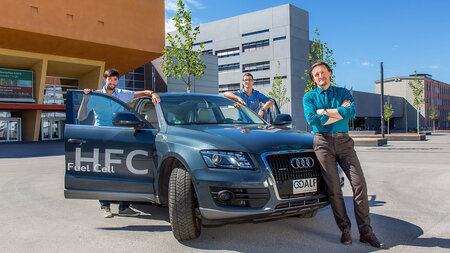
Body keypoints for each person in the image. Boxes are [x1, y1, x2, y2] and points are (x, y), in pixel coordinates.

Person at [302, 62, 386, 249]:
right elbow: (312, 120)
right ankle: (345, 229)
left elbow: (352, 112)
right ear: (313, 78)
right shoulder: (309, 97)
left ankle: (366, 232)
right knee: (334, 189)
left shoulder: (342, 93)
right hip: (322, 143)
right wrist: (339, 112)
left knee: (359, 185)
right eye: (316, 75)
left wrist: (325, 113)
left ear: (330, 73)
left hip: (344, 142)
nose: (320, 77)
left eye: (323, 73)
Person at [78, 68, 160, 218]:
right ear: (105, 80)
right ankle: (105, 207)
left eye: (115, 80)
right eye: (110, 79)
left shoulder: (122, 93)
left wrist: (152, 93)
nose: (113, 82)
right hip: (101, 137)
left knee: (123, 170)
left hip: (120, 136)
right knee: (104, 171)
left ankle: (124, 207)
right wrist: (85, 98)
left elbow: (142, 93)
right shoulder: (95, 95)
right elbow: (81, 116)